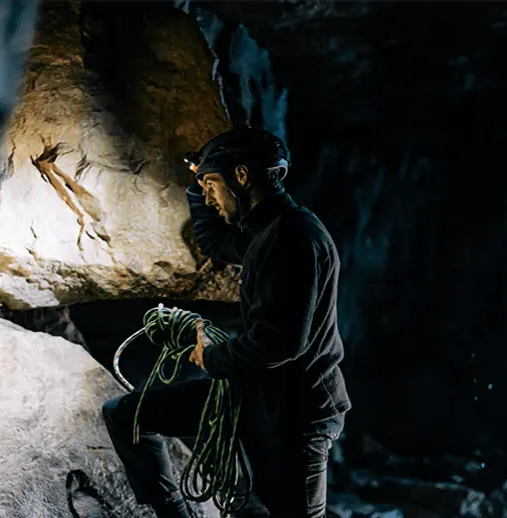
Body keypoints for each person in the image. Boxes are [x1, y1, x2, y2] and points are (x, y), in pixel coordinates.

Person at [100, 127, 351, 518]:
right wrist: (200, 184)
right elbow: (216, 243)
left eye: (213, 184)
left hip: (295, 414)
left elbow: (281, 342)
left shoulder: (292, 239)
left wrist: (212, 356)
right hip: (255, 394)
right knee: (127, 415)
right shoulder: (267, 230)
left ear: (243, 176)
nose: (209, 195)